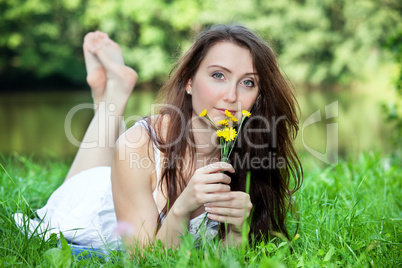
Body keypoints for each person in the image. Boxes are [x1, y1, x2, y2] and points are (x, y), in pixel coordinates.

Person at [14, 24, 302, 252]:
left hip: (127, 182)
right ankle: (113, 94)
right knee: (86, 179)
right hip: (94, 208)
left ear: (258, 96)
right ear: (189, 81)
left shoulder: (252, 148)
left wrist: (240, 230)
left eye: (248, 82)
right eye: (218, 75)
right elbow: (144, 258)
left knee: (108, 162)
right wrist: (182, 208)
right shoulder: (138, 144)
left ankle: (111, 93)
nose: (231, 96)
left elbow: (227, 257)